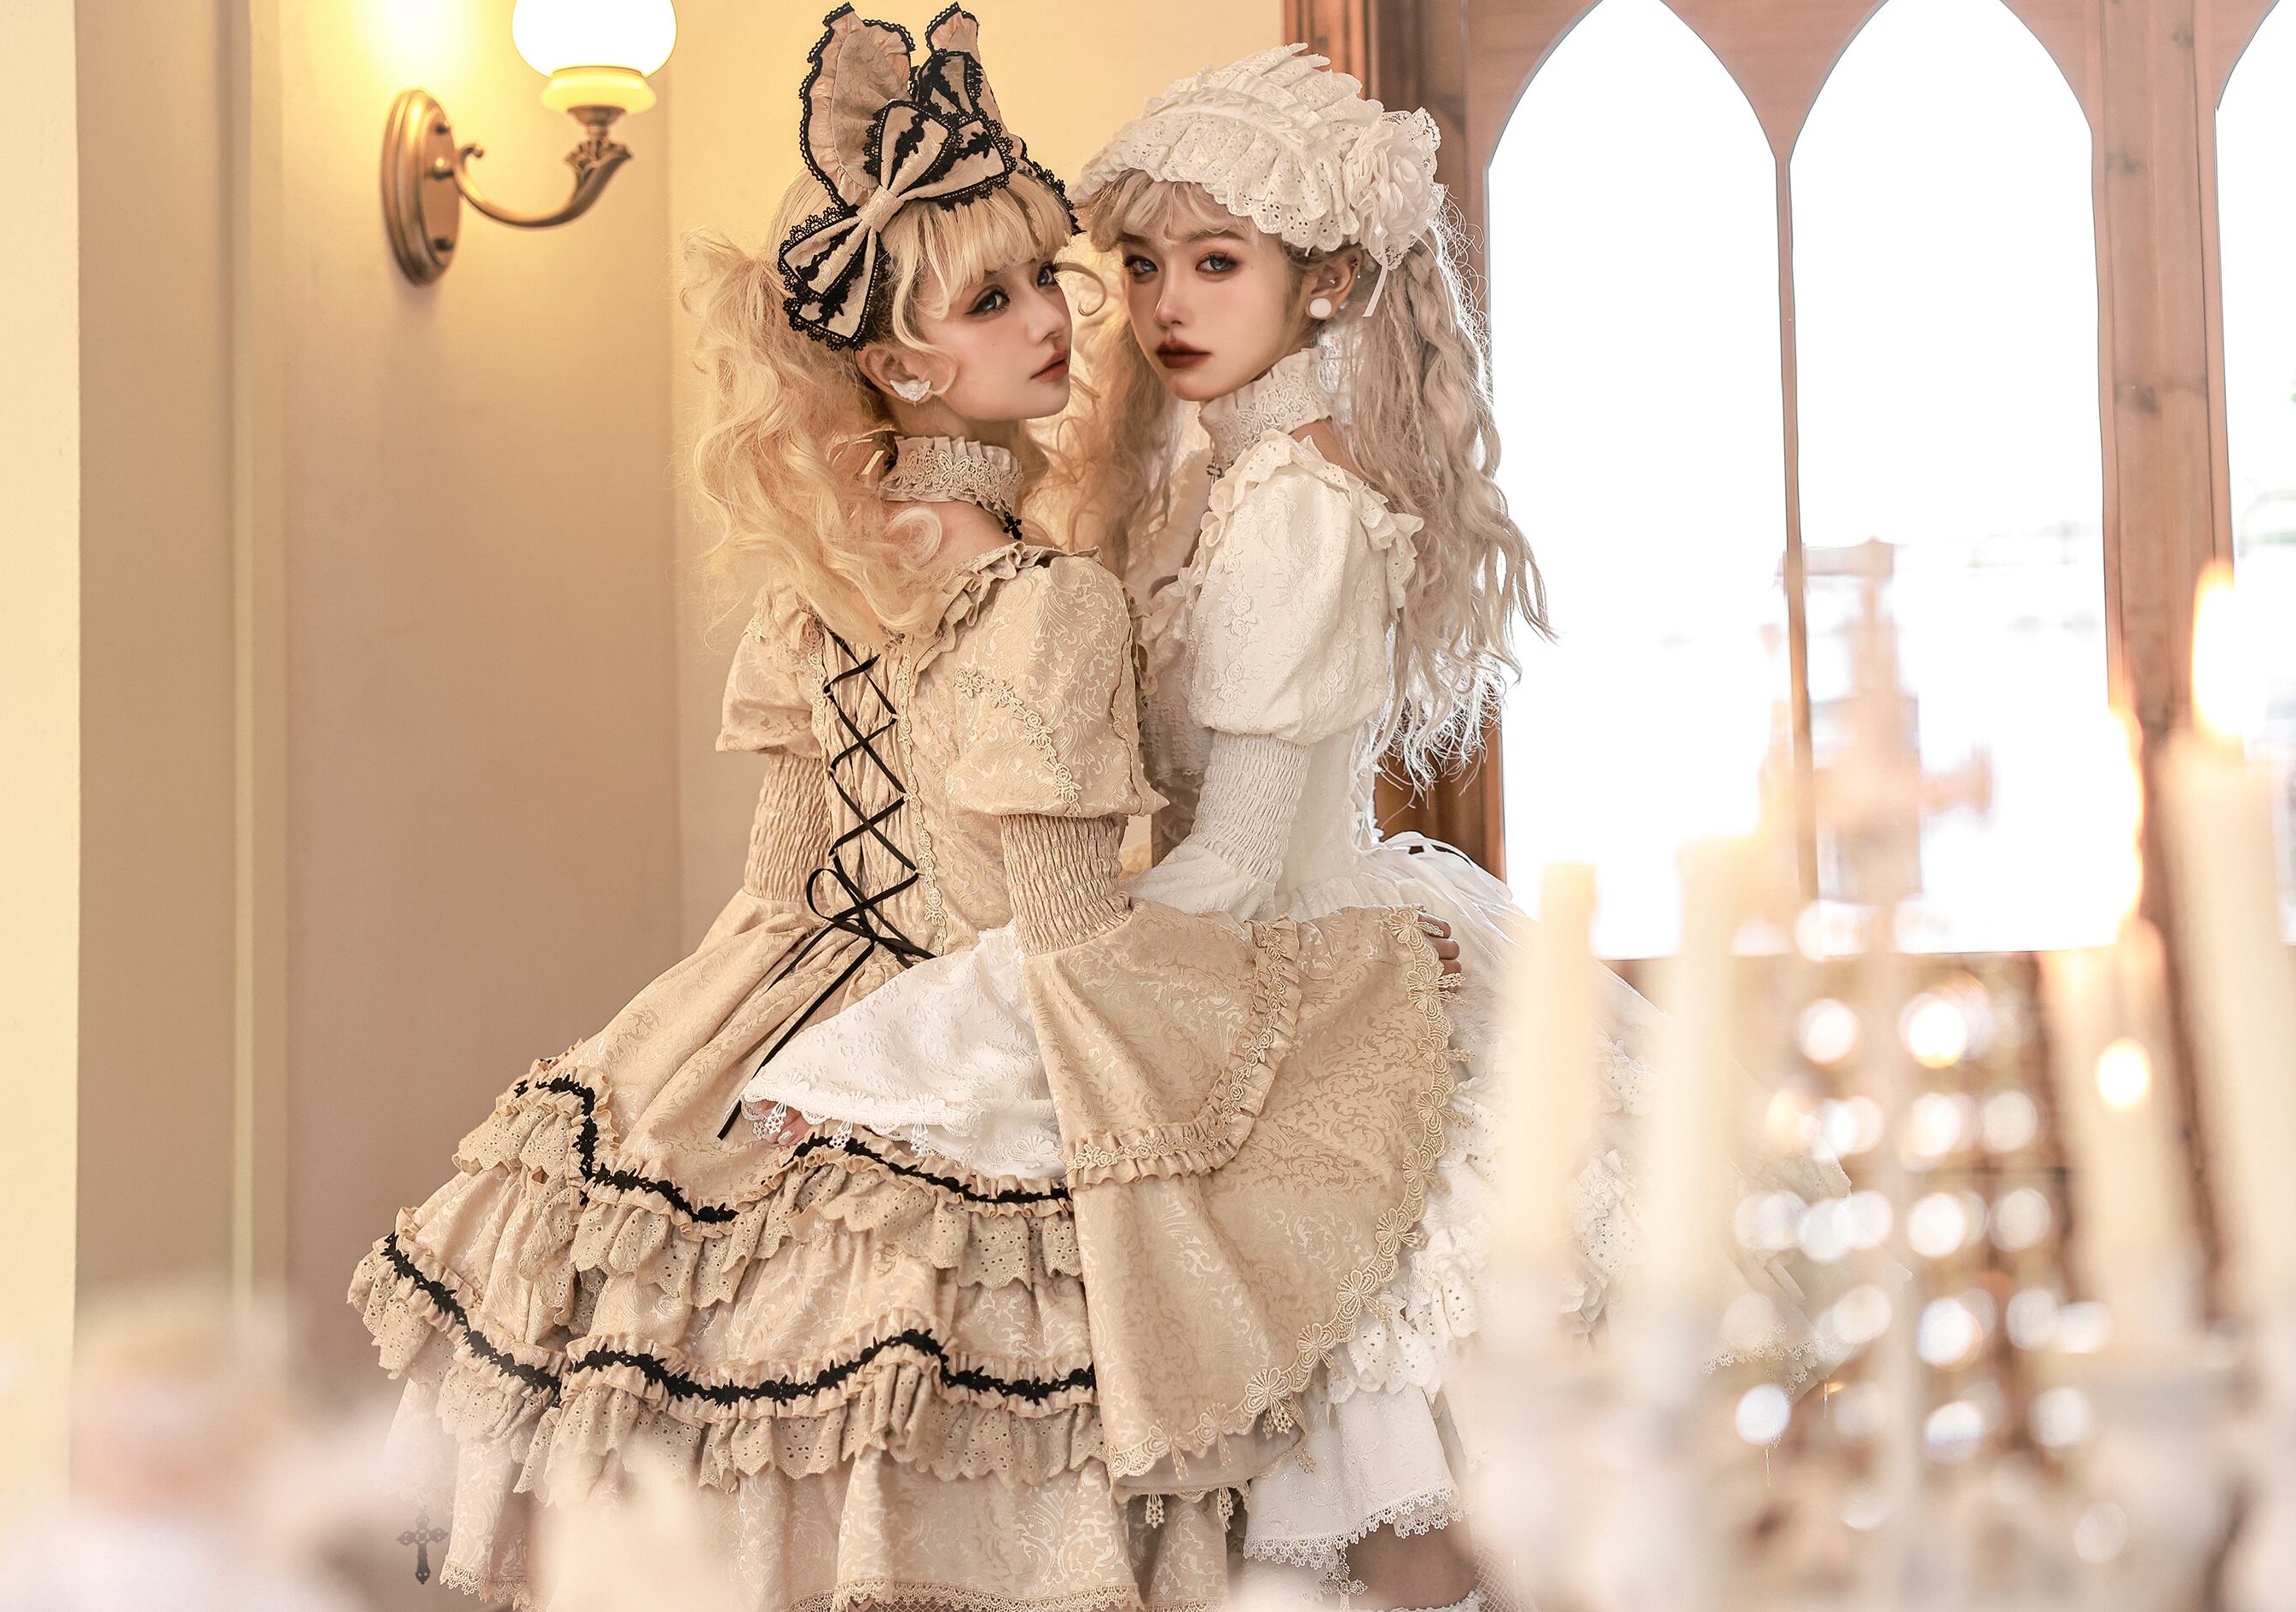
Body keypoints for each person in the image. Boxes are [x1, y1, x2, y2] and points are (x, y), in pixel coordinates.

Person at [351, 13, 1461, 1609]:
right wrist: (1335, 980)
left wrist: (715, 1079)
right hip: (986, 1049)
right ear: (897, 363)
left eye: (1046, 278)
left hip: (801, 1030)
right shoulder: (1053, 595)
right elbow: (1066, 941)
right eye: (997, 297)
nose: (1071, 318)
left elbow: (774, 902)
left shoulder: (820, 577)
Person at [755, 43, 1842, 1611]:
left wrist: (919, 1038)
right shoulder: (1190, 485)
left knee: (1393, 1497)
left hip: (1301, 991)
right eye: (1140, 265)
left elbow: (1231, 866)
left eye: (1217, 263)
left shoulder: (1299, 512)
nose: (1163, 304)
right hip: (1211, 984)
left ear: (1324, 283)